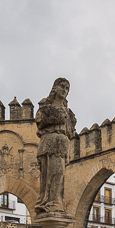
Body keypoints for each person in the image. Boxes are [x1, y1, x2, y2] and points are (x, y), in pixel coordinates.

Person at [35, 78, 76, 216]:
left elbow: (71, 132)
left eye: (67, 89)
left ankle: (57, 202)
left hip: (63, 145)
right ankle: (49, 202)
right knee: (52, 174)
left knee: (60, 175)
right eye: (62, 87)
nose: (65, 90)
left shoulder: (68, 113)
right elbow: (41, 122)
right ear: (55, 88)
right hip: (50, 144)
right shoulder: (47, 109)